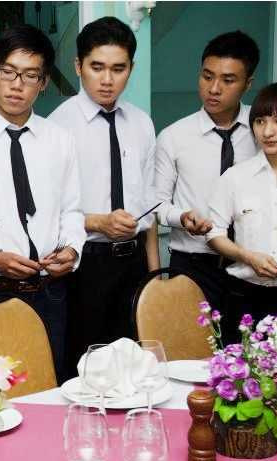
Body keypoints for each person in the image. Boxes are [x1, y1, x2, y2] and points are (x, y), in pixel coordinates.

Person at [0, 24, 86, 381]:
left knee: (49, 388)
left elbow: (72, 209)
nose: (17, 85)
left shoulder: (60, 140)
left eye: (30, 76)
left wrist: (73, 250)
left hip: (50, 292)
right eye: (9, 72)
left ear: (43, 82)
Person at [47, 17, 159, 380]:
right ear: (78, 66)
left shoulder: (142, 123)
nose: (107, 79)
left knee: (136, 370)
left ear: (131, 69)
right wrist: (99, 222)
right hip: (86, 265)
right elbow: (48, 213)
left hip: (134, 262)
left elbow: (151, 205)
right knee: (84, 370)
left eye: (118, 69)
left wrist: (154, 276)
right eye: (97, 67)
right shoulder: (57, 127)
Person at [154, 31, 260, 339]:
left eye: (228, 80)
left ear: (248, 84)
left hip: (251, 265)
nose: (213, 89)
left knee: (251, 354)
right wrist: (182, 217)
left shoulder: (265, 130)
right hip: (193, 266)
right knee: (193, 352)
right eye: (207, 76)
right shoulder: (174, 136)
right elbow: (157, 205)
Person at [206, 82, 277, 337]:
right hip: (244, 298)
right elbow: (214, 233)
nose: (268, 131)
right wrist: (248, 257)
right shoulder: (236, 177)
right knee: (241, 363)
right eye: (260, 121)